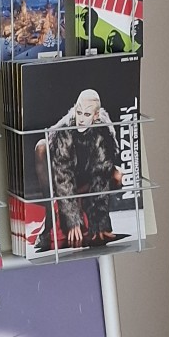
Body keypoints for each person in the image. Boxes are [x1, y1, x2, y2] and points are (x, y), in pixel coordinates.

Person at [33, 86, 122, 252]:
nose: (81, 119)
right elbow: (62, 175)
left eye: (87, 114)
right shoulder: (65, 129)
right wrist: (72, 220)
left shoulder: (104, 131)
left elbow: (101, 175)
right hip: (61, 177)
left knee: (117, 174)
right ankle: (50, 217)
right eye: (78, 112)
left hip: (86, 177)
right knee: (41, 147)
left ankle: (89, 215)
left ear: (96, 116)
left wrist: (100, 223)